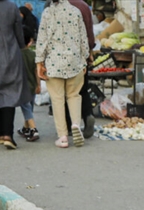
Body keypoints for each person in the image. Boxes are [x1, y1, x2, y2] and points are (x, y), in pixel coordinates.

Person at [35, 0, 90, 148]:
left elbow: (42, 40)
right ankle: (76, 124)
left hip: (54, 62)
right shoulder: (76, 12)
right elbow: (83, 38)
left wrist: (39, 62)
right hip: (74, 61)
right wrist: (84, 59)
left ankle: (63, 137)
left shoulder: (48, 13)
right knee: (74, 95)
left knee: (57, 99)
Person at [0, 0, 30, 149]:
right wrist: (22, 46)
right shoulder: (12, 6)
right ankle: (8, 134)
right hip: (10, 52)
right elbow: (18, 31)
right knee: (10, 92)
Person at [63, 0, 95, 139]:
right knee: (82, 88)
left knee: (65, 91)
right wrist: (89, 51)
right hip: (81, 54)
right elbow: (89, 32)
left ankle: (69, 124)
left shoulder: (56, 5)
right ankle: (88, 115)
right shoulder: (84, 6)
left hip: (61, 55)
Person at [17, 27, 40, 141]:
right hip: (32, 85)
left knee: (26, 108)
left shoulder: (16, 55)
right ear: (30, 41)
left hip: (22, 86)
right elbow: (36, 71)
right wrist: (38, 85)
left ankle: (33, 130)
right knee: (29, 108)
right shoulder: (33, 54)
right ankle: (25, 128)